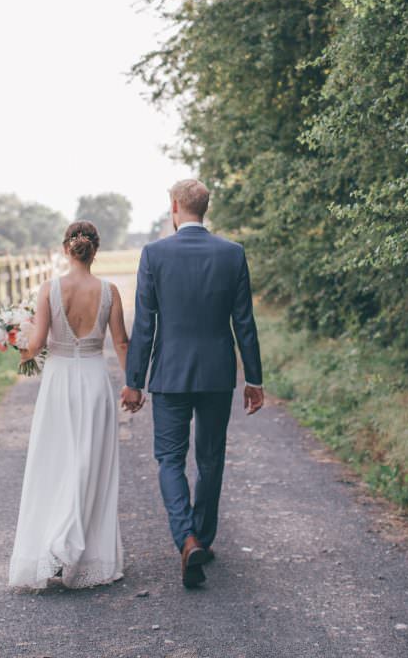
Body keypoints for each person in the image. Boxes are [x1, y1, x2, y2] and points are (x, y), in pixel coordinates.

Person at [121, 178, 264, 588]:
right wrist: (253, 378)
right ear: (204, 208)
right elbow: (245, 323)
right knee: (210, 458)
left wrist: (135, 380)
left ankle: (186, 538)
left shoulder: (154, 254)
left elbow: (145, 323)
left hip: (169, 375)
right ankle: (201, 537)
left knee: (169, 459)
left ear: (175, 207)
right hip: (218, 374)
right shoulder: (232, 253)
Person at [9, 220, 131, 589]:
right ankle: (75, 548)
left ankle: (59, 544)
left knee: (57, 461)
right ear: (96, 250)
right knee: (89, 464)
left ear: (67, 249)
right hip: (94, 380)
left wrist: (16, 343)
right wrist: (134, 385)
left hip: (60, 383)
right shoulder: (110, 291)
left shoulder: (50, 289)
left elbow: (38, 343)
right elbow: (122, 344)